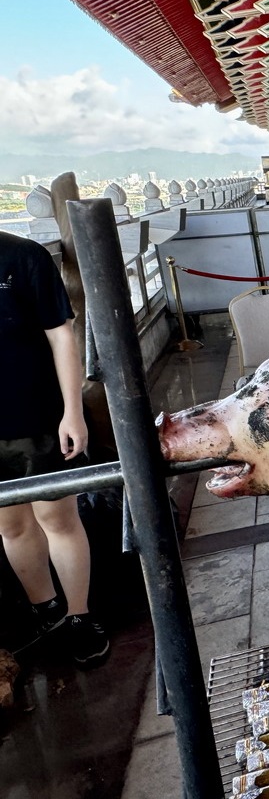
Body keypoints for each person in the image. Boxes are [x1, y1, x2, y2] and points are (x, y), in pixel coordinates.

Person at [0, 229, 108, 667]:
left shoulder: (23, 256)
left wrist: (73, 411)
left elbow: (61, 335)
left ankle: (79, 615)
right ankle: (45, 611)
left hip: (38, 416)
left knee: (56, 518)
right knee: (11, 526)